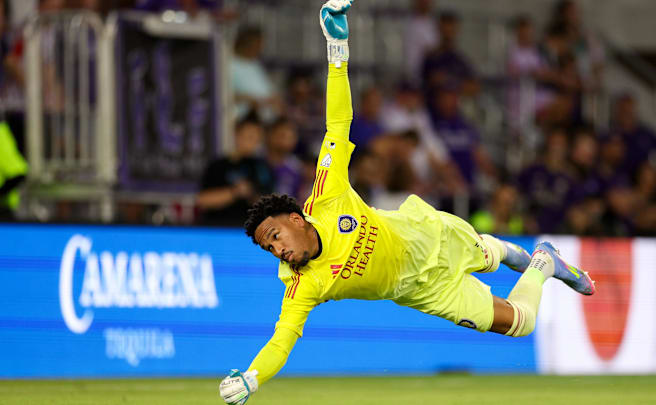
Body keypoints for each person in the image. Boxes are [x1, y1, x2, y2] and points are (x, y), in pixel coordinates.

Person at [217, 3, 595, 404]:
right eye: (269, 247)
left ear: (297, 218)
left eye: (275, 236)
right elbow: (282, 340)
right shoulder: (301, 284)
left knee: (489, 255)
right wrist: (251, 380)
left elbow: (337, 122)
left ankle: (506, 252)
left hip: (431, 237)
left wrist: (337, 48)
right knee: (521, 324)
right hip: (424, 292)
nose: (278, 250)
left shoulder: (327, 195)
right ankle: (544, 262)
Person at [196, 114, 274, 226]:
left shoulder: (263, 168)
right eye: (248, 137)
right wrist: (234, 192)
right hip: (217, 229)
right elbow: (203, 201)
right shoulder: (218, 166)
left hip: (251, 232)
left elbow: (271, 205)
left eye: (256, 139)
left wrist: (252, 195)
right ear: (237, 135)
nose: (252, 142)